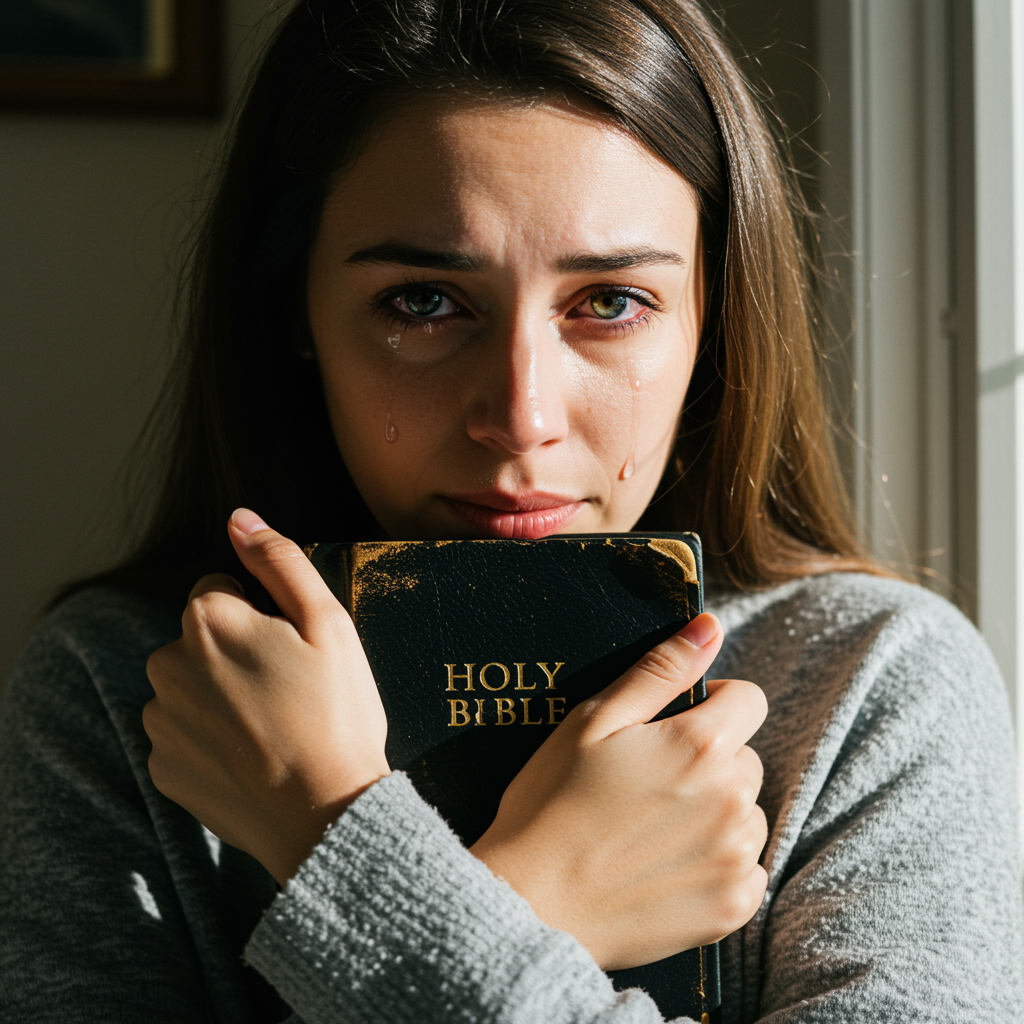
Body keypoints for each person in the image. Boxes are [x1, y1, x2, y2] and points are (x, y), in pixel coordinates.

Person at [1, 1, 1022, 1021]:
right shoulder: (126, 689)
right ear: (292, 311)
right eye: (423, 301)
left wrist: (326, 832)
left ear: (711, 321)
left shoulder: (869, 683)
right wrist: (544, 898)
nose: (521, 419)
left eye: (610, 301)